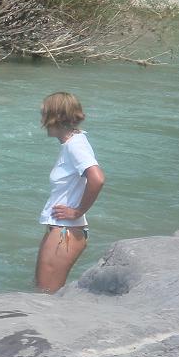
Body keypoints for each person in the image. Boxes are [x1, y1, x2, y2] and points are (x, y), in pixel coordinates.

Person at [35, 92, 105, 293]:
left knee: (45, 296)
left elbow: (97, 178)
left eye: (44, 114)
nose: (41, 120)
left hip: (65, 231)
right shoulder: (74, 142)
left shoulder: (75, 146)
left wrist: (77, 211)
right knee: (42, 293)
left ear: (55, 117)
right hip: (61, 229)